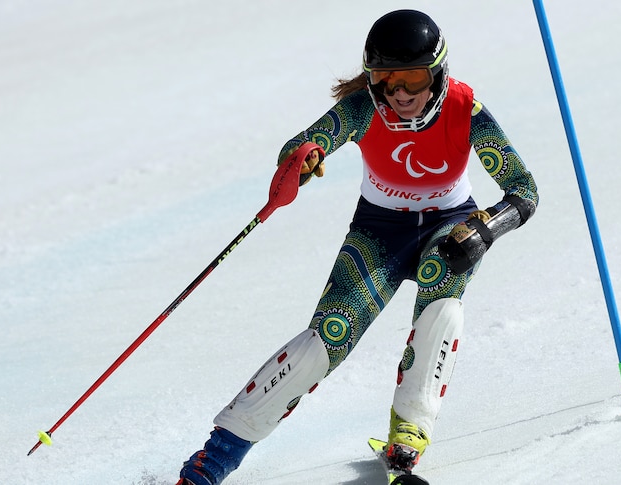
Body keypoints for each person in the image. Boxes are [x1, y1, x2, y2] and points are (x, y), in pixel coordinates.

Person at [177, 9, 538, 485]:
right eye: (387, 80)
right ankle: (214, 458)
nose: (401, 94)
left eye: (412, 77)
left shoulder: (464, 109)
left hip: (451, 224)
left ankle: (408, 437)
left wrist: (486, 229)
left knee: (442, 308)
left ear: (437, 73)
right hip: (378, 232)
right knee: (325, 340)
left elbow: (523, 191)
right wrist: (303, 159)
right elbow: (305, 142)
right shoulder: (364, 109)